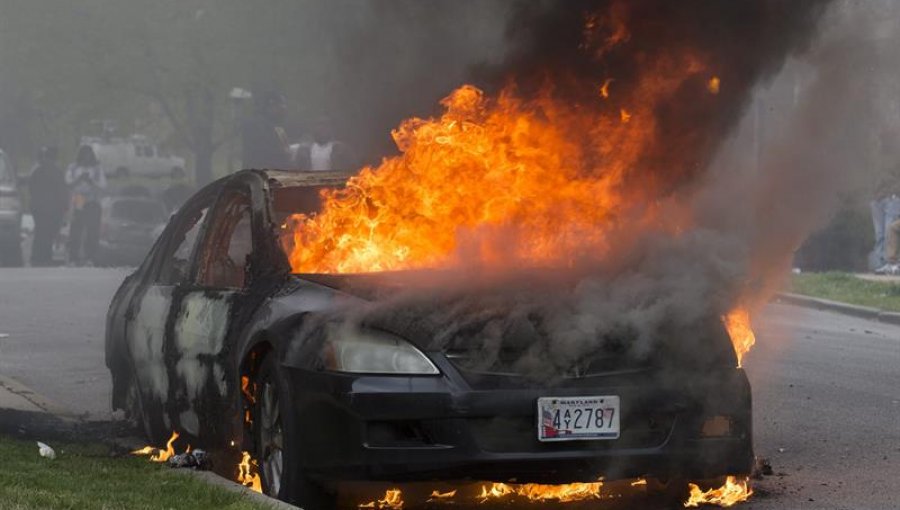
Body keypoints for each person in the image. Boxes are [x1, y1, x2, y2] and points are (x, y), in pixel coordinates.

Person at [66, 145, 106, 265]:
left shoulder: (97, 168)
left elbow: (103, 186)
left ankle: (91, 257)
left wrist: (91, 181)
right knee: (76, 229)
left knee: (92, 231)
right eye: (84, 155)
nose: (86, 158)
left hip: (93, 200)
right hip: (79, 199)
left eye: (88, 155)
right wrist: (79, 179)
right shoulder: (73, 168)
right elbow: (68, 183)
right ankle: (73, 257)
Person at [28, 146, 68, 266]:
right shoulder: (56, 171)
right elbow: (62, 190)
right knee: (48, 232)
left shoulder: (37, 170)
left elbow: (31, 188)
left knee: (41, 231)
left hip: (38, 207)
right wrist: (63, 205)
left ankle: (37, 257)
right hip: (51, 208)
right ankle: (44, 256)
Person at [241, 90, 292, 170]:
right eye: (280, 105)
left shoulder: (279, 127)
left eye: (284, 105)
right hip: (263, 173)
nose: (284, 109)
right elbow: (261, 152)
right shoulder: (258, 125)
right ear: (270, 107)